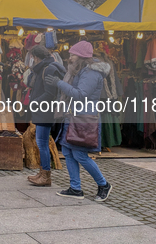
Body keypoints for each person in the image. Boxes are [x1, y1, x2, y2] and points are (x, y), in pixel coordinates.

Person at [44, 40, 113, 202]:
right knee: (68, 151)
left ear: (81, 56)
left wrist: (59, 83)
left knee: (80, 154)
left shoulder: (91, 73)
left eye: (72, 54)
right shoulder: (80, 70)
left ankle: (104, 184)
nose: (69, 57)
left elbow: (81, 95)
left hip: (84, 117)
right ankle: (75, 188)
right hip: (74, 115)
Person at [26, 45, 66, 187]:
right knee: (41, 142)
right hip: (42, 110)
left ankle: (45, 175)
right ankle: (42, 172)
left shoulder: (48, 69)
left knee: (42, 143)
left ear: (36, 57)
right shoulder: (44, 68)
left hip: (45, 111)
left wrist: (34, 103)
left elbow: (49, 93)